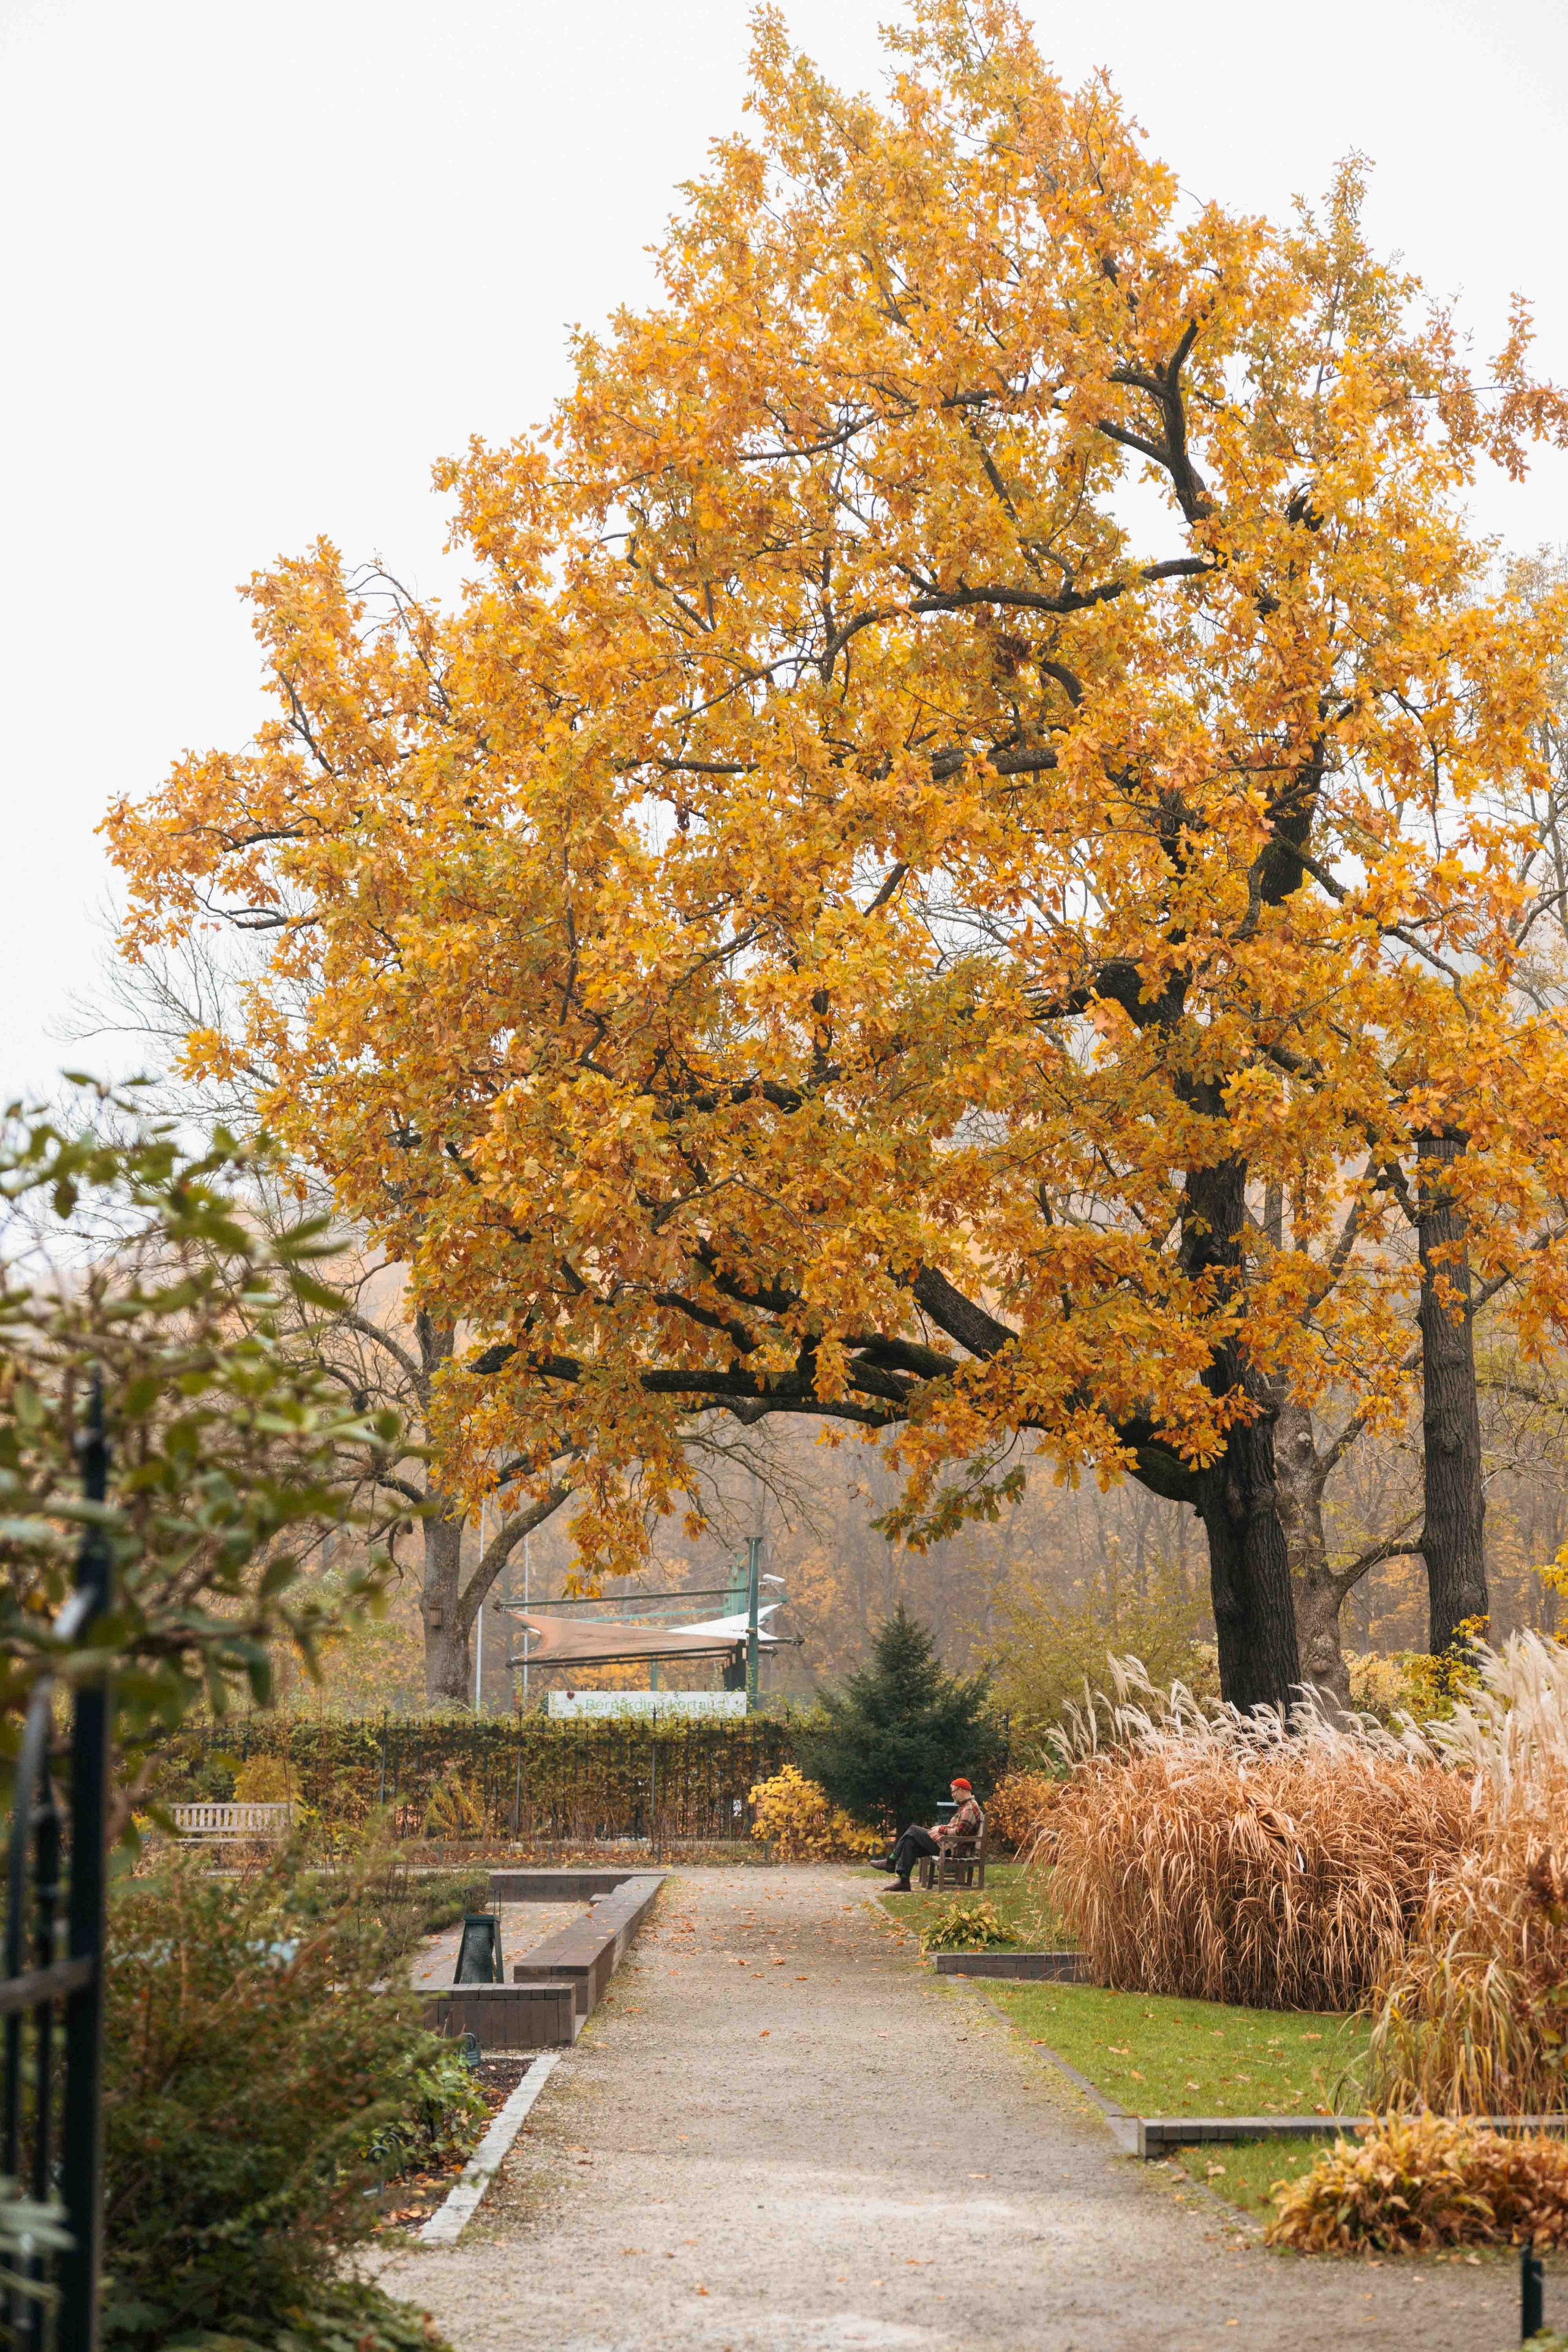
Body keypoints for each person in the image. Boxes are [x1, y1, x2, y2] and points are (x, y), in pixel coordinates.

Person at [881, 1778, 983, 1892]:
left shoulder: (969, 1807)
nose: (952, 1795)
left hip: (952, 1850)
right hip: (950, 1846)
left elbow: (960, 1831)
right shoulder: (966, 1806)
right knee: (910, 1842)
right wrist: (941, 1829)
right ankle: (904, 1882)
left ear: (962, 1790)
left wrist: (941, 1829)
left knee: (913, 1830)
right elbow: (958, 1830)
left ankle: (891, 1861)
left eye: (954, 1791)